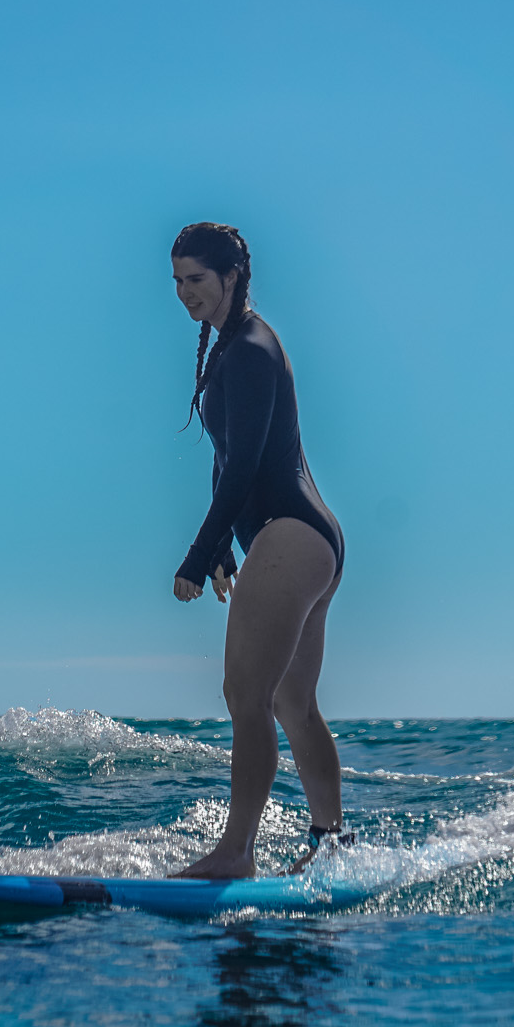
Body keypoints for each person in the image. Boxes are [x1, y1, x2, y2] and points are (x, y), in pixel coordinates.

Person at [167, 222, 348, 879]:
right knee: (291, 704)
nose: (186, 293)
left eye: (197, 279)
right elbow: (229, 461)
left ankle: (235, 853)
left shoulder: (247, 349)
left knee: (247, 695)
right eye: (179, 281)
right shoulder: (234, 345)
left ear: (232, 276)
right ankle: (331, 842)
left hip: (289, 535)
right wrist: (222, 549)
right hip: (310, 541)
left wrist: (198, 552)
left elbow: (244, 466)